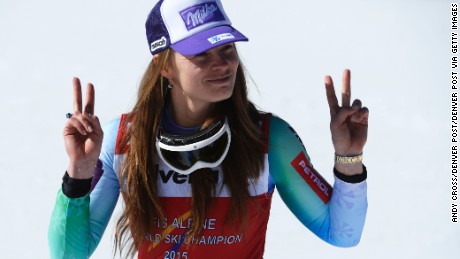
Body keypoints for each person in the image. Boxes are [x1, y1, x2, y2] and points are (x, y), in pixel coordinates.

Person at [48, 0, 369, 258]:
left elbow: (341, 233)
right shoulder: (122, 141)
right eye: (202, 53)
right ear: (165, 66)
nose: (223, 63)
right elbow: (68, 255)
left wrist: (349, 158)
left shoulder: (270, 140)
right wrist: (79, 172)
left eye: (227, 48)